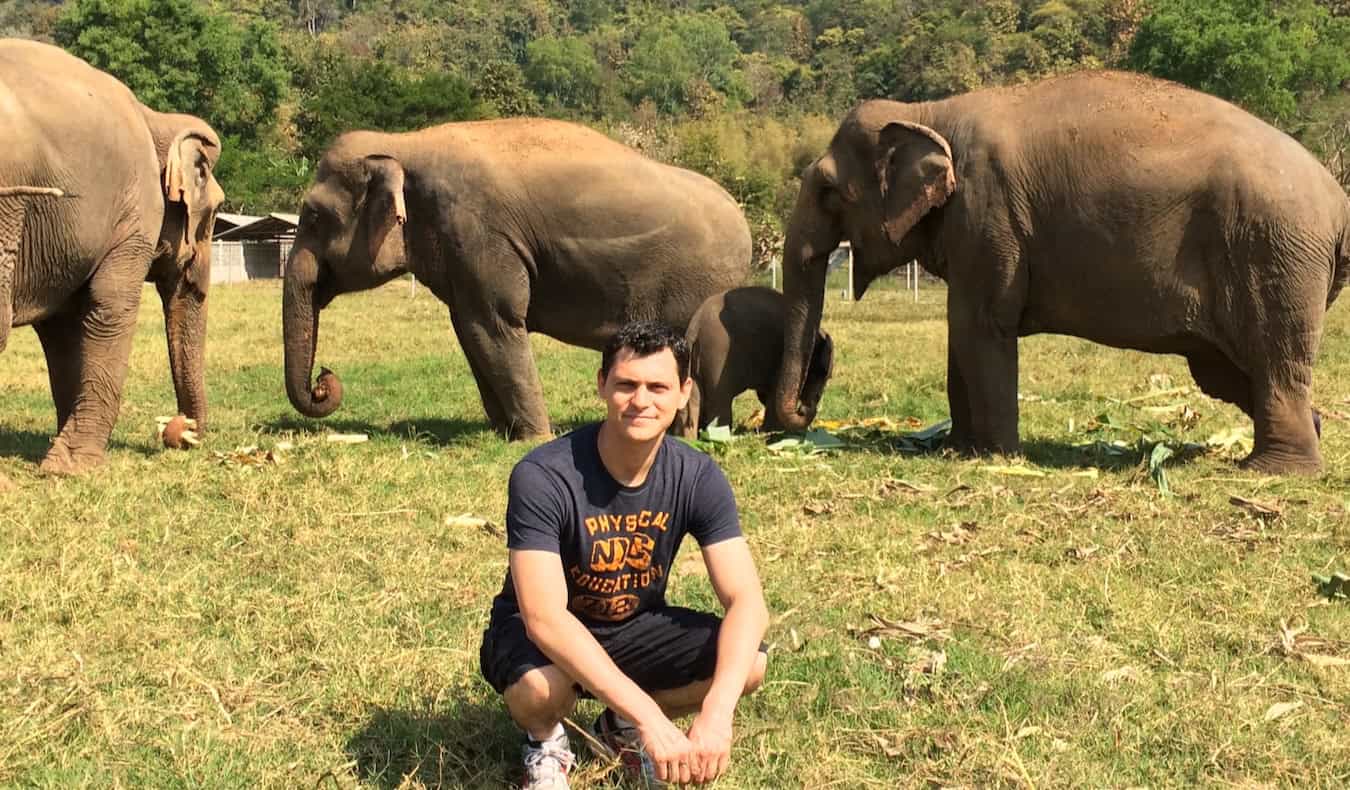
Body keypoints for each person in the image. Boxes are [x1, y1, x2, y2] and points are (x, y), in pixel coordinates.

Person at [479, 320, 769, 789]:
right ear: (601, 386)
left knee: (747, 664)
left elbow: (747, 602)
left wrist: (717, 714)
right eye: (626, 385)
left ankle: (616, 728)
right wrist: (654, 719)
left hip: (633, 623)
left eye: (658, 386)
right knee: (540, 690)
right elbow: (544, 619)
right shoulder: (543, 475)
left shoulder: (697, 475)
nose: (641, 400)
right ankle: (547, 739)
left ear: (683, 393)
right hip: (540, 635)